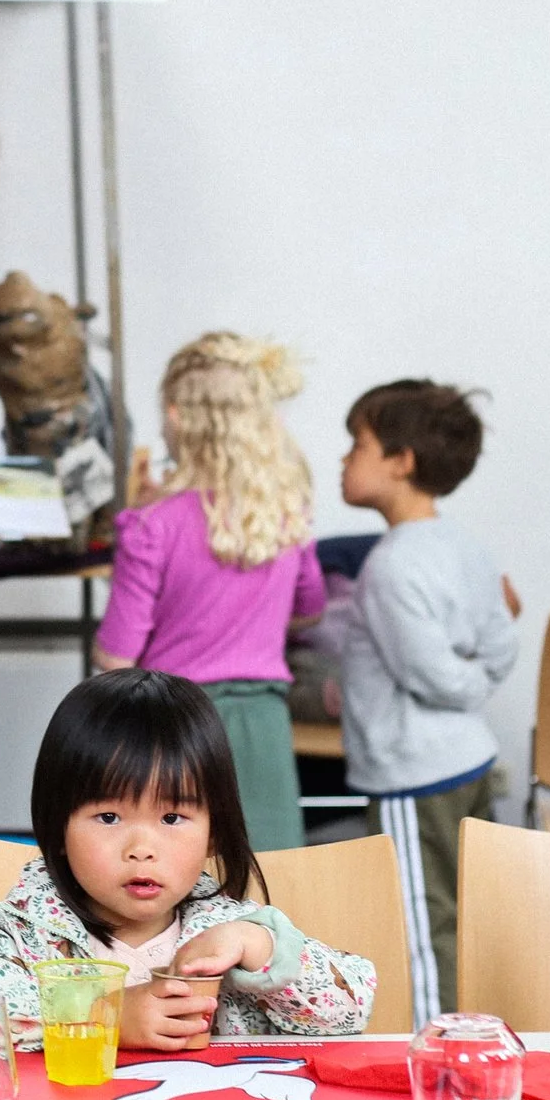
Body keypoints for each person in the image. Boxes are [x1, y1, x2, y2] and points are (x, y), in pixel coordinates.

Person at [0, 669, 375, 1049]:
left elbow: (353, 1005)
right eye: (108, 816)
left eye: (173, 817)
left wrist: (260, 947)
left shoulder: (226, 929)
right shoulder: (27, 930)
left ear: (214, 832)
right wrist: (108, 1016)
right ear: (58, 827)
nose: (142, 848)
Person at [91, 333, 324, 852]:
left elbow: (115, 657)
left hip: (178, 725)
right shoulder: (285, 517)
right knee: (269, 875)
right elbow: (310, 610)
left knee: (177, 877)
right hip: (264, 722)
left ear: (176, 418)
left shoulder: (150, 525)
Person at [331, 379, 517, 1021]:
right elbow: (500, 647)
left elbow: (430, 674)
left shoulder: (390, 564)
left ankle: (438, 1050)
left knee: (418, 923)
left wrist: (458, 687)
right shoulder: (465, 546)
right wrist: (470, 689)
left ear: (401, 461)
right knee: (462, 914)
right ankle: (471, 1035)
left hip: (414, 775)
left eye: (357, 444)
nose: (343, 460)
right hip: (468, 760)